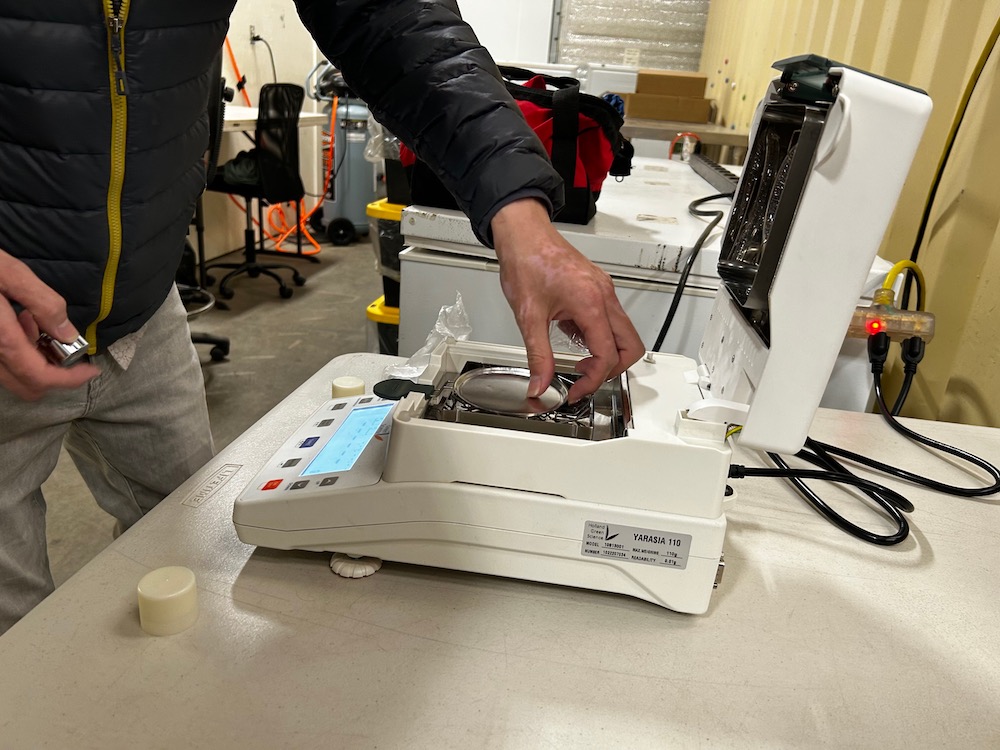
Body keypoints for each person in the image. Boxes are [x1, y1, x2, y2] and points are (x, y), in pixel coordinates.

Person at [0, 0, 643, 633]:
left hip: (144, 305)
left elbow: (396, 19)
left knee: (189, 561)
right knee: (15, 635)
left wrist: (518, 212)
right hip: (11, 319)